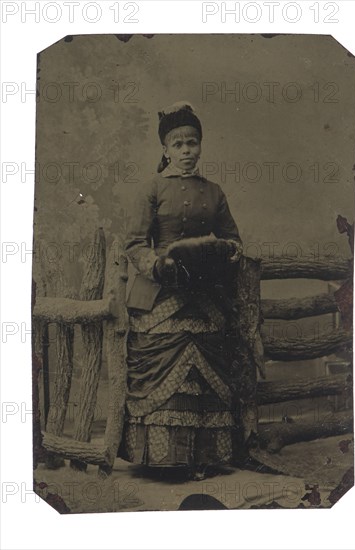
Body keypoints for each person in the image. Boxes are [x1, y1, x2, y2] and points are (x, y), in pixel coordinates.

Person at [118, 102, 244, 479]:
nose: (187, 151)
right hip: (163, 294)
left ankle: (203, 457)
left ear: (200, 146)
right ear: (166, 150)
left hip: (205, 297)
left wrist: (227, 254)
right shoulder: (151, 189)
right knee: (167, 369)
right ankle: (165, 460)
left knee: (206, 375)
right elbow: (134, 242)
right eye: (179, 145)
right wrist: (157, 265)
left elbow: (234, 240)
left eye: (193, 143)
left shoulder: (215, 191)